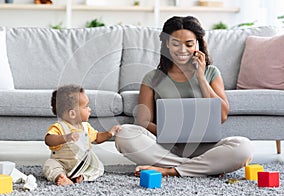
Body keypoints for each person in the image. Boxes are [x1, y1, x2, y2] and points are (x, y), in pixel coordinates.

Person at [115, 16, 253, 177]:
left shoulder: (211, 73)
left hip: (204, 146)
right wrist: (170, 132)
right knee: (124, 134)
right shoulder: (152, 77)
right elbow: (143, 122)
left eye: (189, 44)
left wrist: (201, 77)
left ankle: (170, 170)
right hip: (166, 147)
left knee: (244, 147)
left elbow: (221, 115)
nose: (182, 50)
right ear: (167, 44)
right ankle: (202, 167)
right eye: (175, 44)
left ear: (197, 44)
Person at [43, 84, 121, 186]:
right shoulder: (59, 127)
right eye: (86, 107)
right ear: (72, 114)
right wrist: (65, 137)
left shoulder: (85, 127)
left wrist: (110, 133)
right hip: (61, 163)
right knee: (49, 165)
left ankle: (82, 177)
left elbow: (97, 137)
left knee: (98, 167)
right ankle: (60, 176)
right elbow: (48, 140)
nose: (89, 109)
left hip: (82, 165)